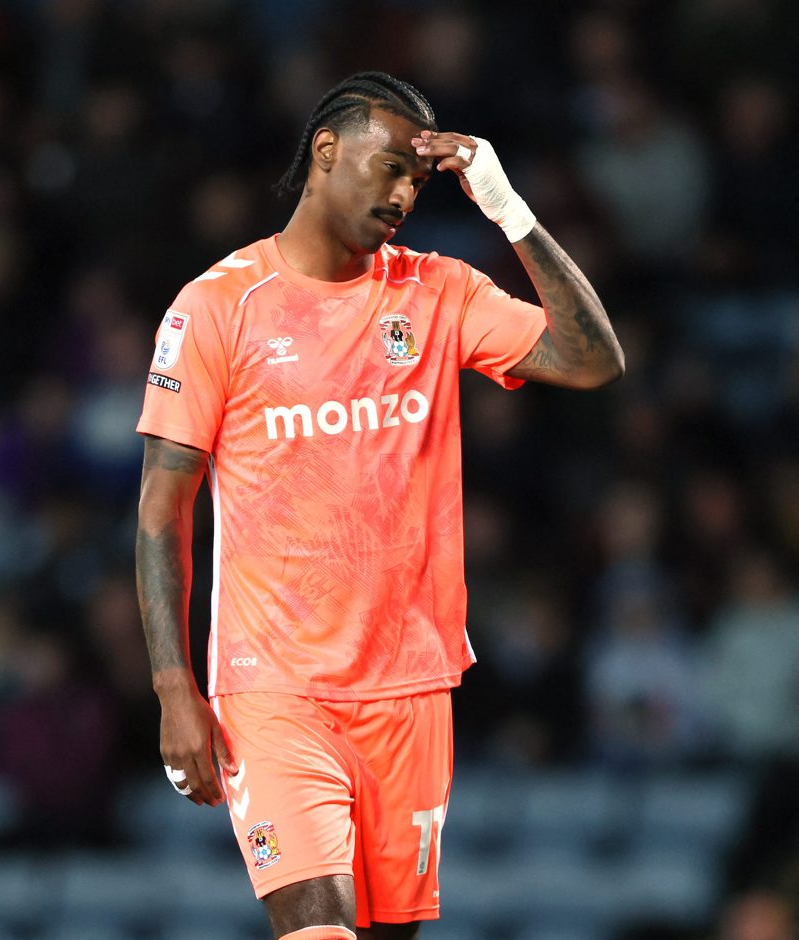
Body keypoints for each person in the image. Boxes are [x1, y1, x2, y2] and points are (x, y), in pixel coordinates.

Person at [135, 71, 624, 940]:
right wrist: (174, 686)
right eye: (390, 167)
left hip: (409, 687)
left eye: (419, 181)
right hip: (275, 690)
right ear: (326, 151)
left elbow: (592, 361)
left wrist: (508, 209)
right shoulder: (218, 308)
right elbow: (161, 509)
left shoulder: (437, 292)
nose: (403, 195)